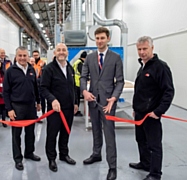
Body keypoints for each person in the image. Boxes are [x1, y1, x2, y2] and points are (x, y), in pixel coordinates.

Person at [80, 27, 124, 180]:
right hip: (93, 101)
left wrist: (114, 97)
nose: (99, 41)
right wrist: (84, 91)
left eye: (102, 38)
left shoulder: (115, 58)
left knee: (109, 134)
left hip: (108, 103)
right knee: (96, 129)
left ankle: (112, 167)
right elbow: (83, 77)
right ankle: (96, 153)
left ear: (108, 39)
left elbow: (120, 81)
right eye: (97, 38)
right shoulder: (90, 58)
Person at [129, 36, 174, 180]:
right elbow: (142, 90)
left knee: (154, 145)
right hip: (140, 112)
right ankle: (145, 163)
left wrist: (158, 111)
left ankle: (155, 173)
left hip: (151, 114)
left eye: (144, 49)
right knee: (141, 139)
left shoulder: (160, 67)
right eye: (139, 49)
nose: (142, 52)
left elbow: (168, 91)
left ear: (152, 48)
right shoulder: (142, 66)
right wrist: (136, 108)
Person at [40, 43, 78, 172]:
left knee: (65, 132)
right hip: (54, 109)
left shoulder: (70, 68)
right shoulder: (49, 69)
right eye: (59, 50)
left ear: (67, 53)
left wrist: (76, 102)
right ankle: (51, 158)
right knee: (52, 134)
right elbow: (43, 88)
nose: (61, 52)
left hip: (68, 108)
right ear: (55, 53)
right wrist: (53, 100)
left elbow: (74, 87)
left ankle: (64, 154)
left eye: (64, 50)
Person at [3, 46, 41, 171]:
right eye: (20, 55)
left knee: (31, 133)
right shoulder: (10, 71)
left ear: (28, 56)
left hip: (31, 106)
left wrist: (38, 102)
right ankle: (18, 159)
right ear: (16, 56)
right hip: (16, 107)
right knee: (16, 135)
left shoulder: (31, 69)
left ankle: (29, 153)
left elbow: (35, 87)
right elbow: (6, 92)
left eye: (25, 55)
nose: (23, 58)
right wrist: (9, 109)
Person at [72, 51, 87, 116]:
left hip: (74, 81)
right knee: (76, 97)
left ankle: (75, 110)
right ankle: (76, 111)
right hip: (77, 82)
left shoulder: (77, 62)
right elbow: (82, 73)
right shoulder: (80, 63)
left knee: (76, 97)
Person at [32, 50, 46, 119]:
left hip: (41, 84)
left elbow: (45, 73)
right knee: (34, 100)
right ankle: (34, 115)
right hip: (33, 84)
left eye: (36, 55)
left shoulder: (43, 63)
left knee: (42, 99)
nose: (35, 57)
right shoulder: (31, 63)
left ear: (39, 55)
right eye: (34, 55)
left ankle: (43, 113)